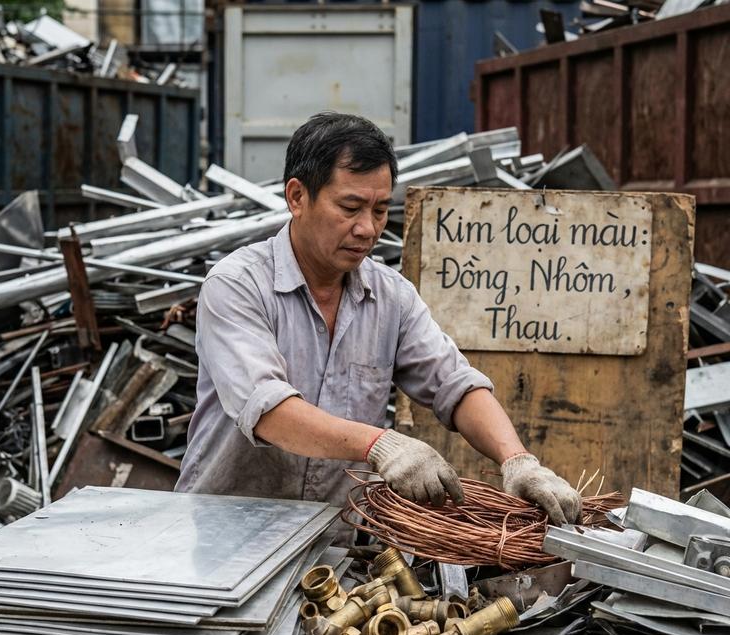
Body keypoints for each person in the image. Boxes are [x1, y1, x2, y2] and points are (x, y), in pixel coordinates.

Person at [176, 112, 580, 526]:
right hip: (224, 534)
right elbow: (269, 412)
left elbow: (454, 384)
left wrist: (518, 461)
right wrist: (381, 445)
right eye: (350, 207)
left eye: (381, 210)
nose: (368, 229)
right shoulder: (237, 285)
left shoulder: (391, 297)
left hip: (330, 542)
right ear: (297, 197)